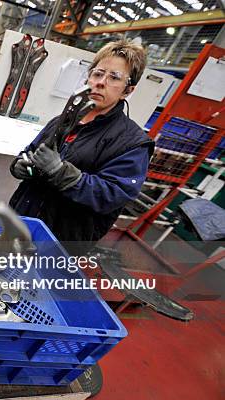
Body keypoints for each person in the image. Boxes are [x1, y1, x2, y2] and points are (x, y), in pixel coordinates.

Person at [9, 39, 154, 254]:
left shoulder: (133, 142)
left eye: (114, 77)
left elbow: (113, 194)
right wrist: (20, 164)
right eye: (98, 73)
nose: (101, 82)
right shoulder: (63, 119)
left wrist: (61, 173)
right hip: (20, 221)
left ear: (127, 90)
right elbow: (30, 150)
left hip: (59, 240)